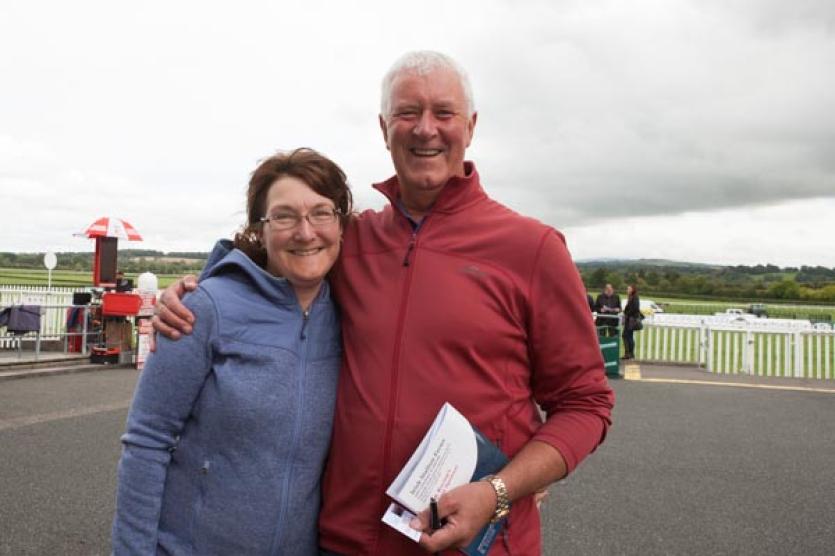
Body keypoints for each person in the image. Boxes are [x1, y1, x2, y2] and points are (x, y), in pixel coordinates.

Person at [154, 51, 614, 555]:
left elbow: (585, 403)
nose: (425, 129)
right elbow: (277, 251)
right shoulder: (352, 241)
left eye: (444, 112)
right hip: (344, 542)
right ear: (383, 127)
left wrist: (499, 491)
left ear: (471, 126)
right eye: (407, 113)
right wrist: (198, 286)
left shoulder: (532, 249)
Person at [112, 148, 352, 555]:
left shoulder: (352, 315)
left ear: (341, 224)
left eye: (321, 213)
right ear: (260, 229)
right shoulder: (204, 308)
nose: (305, 232)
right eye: (284, 216)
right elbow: (147, 439)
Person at [622, 284, 642, 359]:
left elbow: (635, 308)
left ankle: (628, 353)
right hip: (630, 319)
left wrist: (627, 314)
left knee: (626, 336)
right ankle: (630, 353)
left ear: (633, 289)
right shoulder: (631, 297)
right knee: (628, 336)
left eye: (629, 289)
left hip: (631, 320)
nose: (627, 290)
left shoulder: (635, 297)